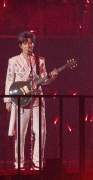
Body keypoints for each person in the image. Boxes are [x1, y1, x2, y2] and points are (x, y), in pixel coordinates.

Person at [4, 30, 57, 170]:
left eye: (31, 43)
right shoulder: (13, 61)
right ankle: (19, 164)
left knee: (41, 131)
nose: (29, 45)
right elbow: (9, 80)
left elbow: (44, 80)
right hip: (21, 99)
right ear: (20, 45)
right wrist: (8, 100)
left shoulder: (40, 60)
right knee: (20, 133)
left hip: (37, 98)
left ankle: (38, 163)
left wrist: (52, 77)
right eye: (26, 43)